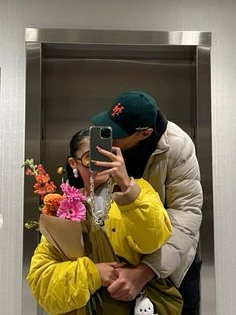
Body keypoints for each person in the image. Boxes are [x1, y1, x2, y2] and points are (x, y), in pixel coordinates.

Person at [27, 128, 182, 315]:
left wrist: (127, 186)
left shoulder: (140, 191)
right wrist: (93, 274)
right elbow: (41, 282)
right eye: (89, 157)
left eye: (104, 155)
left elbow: (154, 240)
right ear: (73, 163)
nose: (98, 164)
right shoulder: (63, 208)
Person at [92, 90, 203, 315]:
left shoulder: (177, 146)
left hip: (169, 264)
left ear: (145, 133)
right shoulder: (103, 142)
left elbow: (186, 214)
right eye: (109, 126)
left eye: (119, 134)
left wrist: (145, 271)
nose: (111, 137)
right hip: (117, 264)